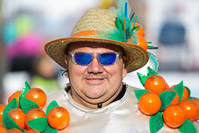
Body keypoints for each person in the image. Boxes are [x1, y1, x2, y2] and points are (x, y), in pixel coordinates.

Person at [44, 1, 199, 132]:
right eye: (82, 57)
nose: (95, 68)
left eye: (108, 57)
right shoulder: (36, 117)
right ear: (67, 62)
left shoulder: (165, 119)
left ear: (123, 65)